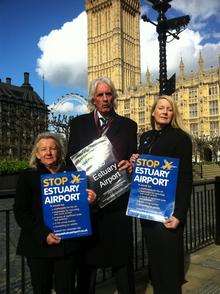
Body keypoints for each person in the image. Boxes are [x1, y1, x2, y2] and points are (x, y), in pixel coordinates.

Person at [66, 77, 137, 294]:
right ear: (93, 99)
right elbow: (71, 162)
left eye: (108, 94)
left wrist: (132, 163)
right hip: (90, 204)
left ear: (114, 97)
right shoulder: (78, 124)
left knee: (122, 262)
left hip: (117, 203)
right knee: (87, 263)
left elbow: (133, 157)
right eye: (100, 95)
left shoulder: (128, 125)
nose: (105, 99)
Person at [14, 132, 96, 294]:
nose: (48, 152)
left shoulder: (73, 175)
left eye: (53, 148)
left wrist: (89, 200)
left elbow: (79, 209)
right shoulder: (27, 176)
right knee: (41, 288)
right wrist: (43, 234)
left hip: (67, 245)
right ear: (37, 154)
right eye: (43, 149)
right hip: (39, 245)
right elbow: (21, 212)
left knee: (66, 288)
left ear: (59, 151)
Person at [130, 95, 193, 294]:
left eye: (169, 109)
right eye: (161, 108)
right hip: (148, 208)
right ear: (153, 112)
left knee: (169, 264)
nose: (165, 112)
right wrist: (136, 160)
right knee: (155, 261)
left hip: (168, 211)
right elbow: (144, 169)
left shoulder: (180, 137)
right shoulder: (145, 137)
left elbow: (185, 178)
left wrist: (179, 215)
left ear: (173, 113)